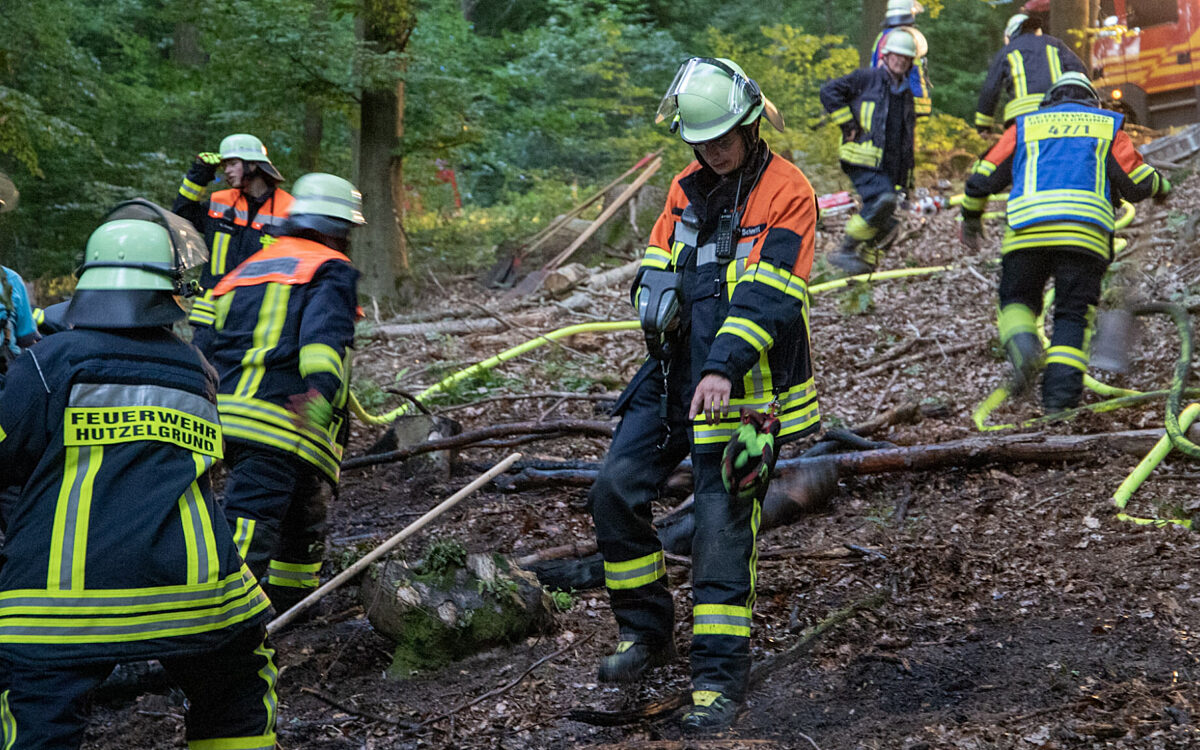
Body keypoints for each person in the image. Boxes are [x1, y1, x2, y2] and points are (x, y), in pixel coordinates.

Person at [590, 57, 820, 734]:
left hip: (748, 395)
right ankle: (647, 632)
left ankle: (717, 683)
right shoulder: (683, 190)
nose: (715, 152)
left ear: (750, 124)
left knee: (722, 532)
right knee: (613, 489)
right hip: (672, 381)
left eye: (724, 139)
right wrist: (650, 297)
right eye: (704, 142)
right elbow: (659, 261)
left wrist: (722, 365)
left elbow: (772, 293)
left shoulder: (788, 192)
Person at [0, 202, 276, 749]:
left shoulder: (49, 360)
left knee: (36, 718)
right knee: (239, 695)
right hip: (197, 594)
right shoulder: (197, 370)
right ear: (172, 293)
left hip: (57, 609)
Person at [960, 72, 1170, 412]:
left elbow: (981, 179)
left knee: (1016, 301)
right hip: (1085, 237)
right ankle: (1058, 406)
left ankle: (1024, 344)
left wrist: (970, 219)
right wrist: (1163, 187)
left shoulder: (1026, 126)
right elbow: (1137, 181)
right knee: (1072, 317)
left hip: (1026, 235)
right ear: (1093, 100)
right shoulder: (1105, 125)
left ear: (1049, 100)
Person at [206, 172, 363, 613]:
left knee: (301, 517)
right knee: (251, 522)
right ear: (338, 229)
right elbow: (322, 339)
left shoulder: (246, 269)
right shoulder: (330, 268)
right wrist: (321, 390)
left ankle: (294, 607)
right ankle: (223, 618)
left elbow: (208, 338)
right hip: (281, 419)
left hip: (230, 413)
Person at [172, 133, 293, 356]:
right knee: (203, 375)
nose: (226, 170)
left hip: (259, 317)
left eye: (232, 163)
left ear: (254, 165)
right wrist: (200, 174)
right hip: (211, 316)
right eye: (224, 164)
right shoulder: (221, 202)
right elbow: (181, 216)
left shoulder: (289, 210)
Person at [821, 29, 918, 276]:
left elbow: (906, 140)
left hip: (887, 166)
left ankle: (860, 265)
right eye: (896, 55)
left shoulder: (906, 95)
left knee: (889, 222)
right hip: (860, 158)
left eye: (905, 58)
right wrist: (849, 125)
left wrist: (906, 181)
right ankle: (846, 249)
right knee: (883, 201)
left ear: (910, 62)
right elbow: (828, 92)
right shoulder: (866, 78)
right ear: (886, 55)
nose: (900, 61)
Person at [974, 13, 1087, 133]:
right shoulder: (1055, 44)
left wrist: (983, 125)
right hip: (1059, 113)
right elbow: (1080, 72)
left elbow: (990, 88)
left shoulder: (1006, 51)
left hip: (1021, 120)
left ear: (1010, 34)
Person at [870, 0, 932, 118]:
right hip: (902, 106)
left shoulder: (883, 36)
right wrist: (921, 108)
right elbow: (914, 75)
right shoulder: (904, 39)